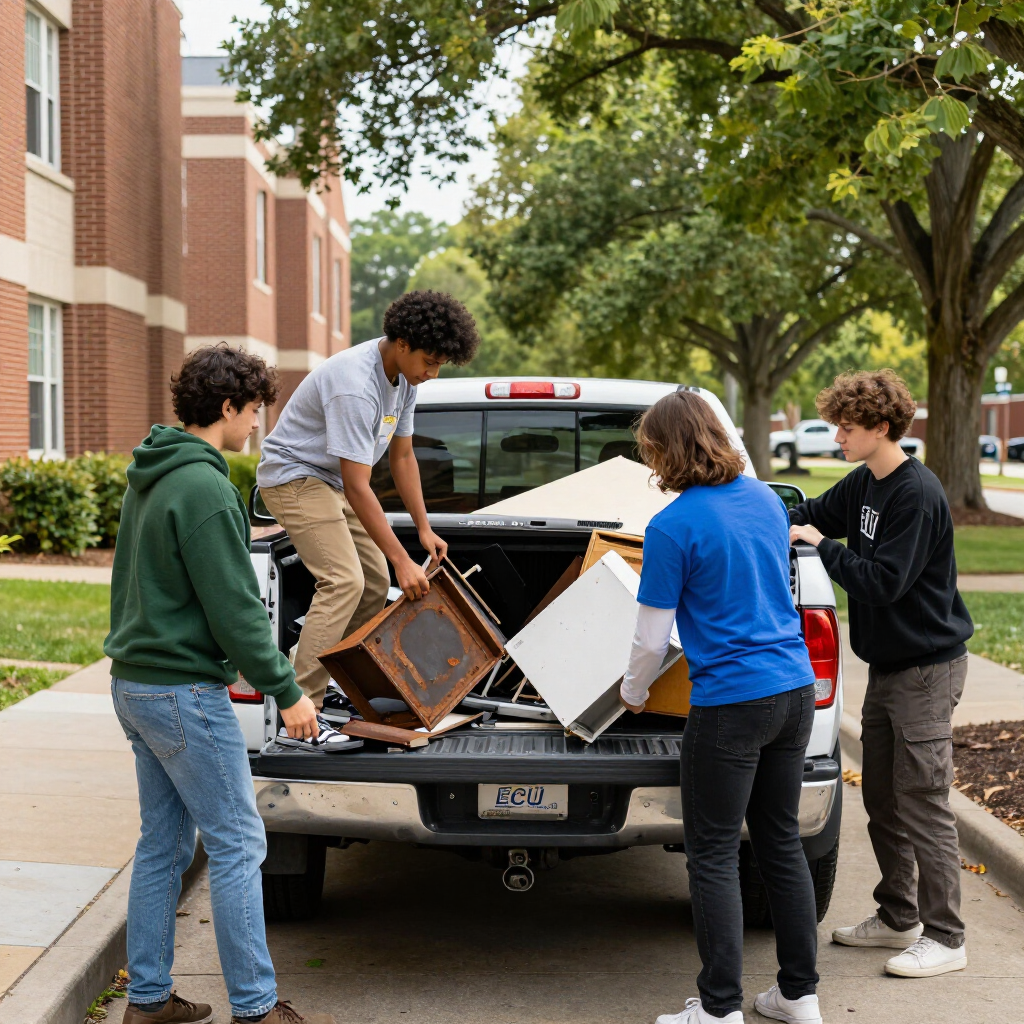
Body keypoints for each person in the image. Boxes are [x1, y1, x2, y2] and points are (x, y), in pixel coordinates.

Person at [106, 345, 333, 1024]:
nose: (259, 422)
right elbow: (235, 609)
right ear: (228, 407)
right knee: (239, 843)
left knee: (164, 844)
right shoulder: (205, 486)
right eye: (256, 408)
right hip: (182, 693)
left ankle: (146, 1000)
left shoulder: (154, 472)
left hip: (136, 683)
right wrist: (286, 690)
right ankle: (257, 1010)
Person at [620, 390, 822, 1024]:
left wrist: (632, 694)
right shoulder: (766, 500)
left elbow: (650, 639)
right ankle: (798, 997)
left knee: (711, 852)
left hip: (731, 703)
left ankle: (718, 1011)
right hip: (793, 691)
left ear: (666, 451)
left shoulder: (672, 526)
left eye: (649, 447)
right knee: (779, 842)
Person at [789, 369, 973, 979]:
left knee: (922, 802)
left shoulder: (915, 494)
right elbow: (813, 510)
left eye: (846, 427)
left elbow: (883, 582)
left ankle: (946, 937)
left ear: (880, 427)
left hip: (926, 670)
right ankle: (898, 916)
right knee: (883, 801)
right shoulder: (866, 480)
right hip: (889, 669)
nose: (836, 435)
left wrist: (823, 545)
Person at [256, 290, 480, 728]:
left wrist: (423, 529)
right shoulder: (356, 386)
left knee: (374, 586)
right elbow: (360, 486)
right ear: (402, 343)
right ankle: (301, 709)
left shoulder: (405, 379)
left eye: (440, 365)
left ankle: (323, 671)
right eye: (430, 361)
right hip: (294, 477)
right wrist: (402, 560)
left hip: (334, 482)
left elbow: (402, 458)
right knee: (343, 581)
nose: (433, 373)